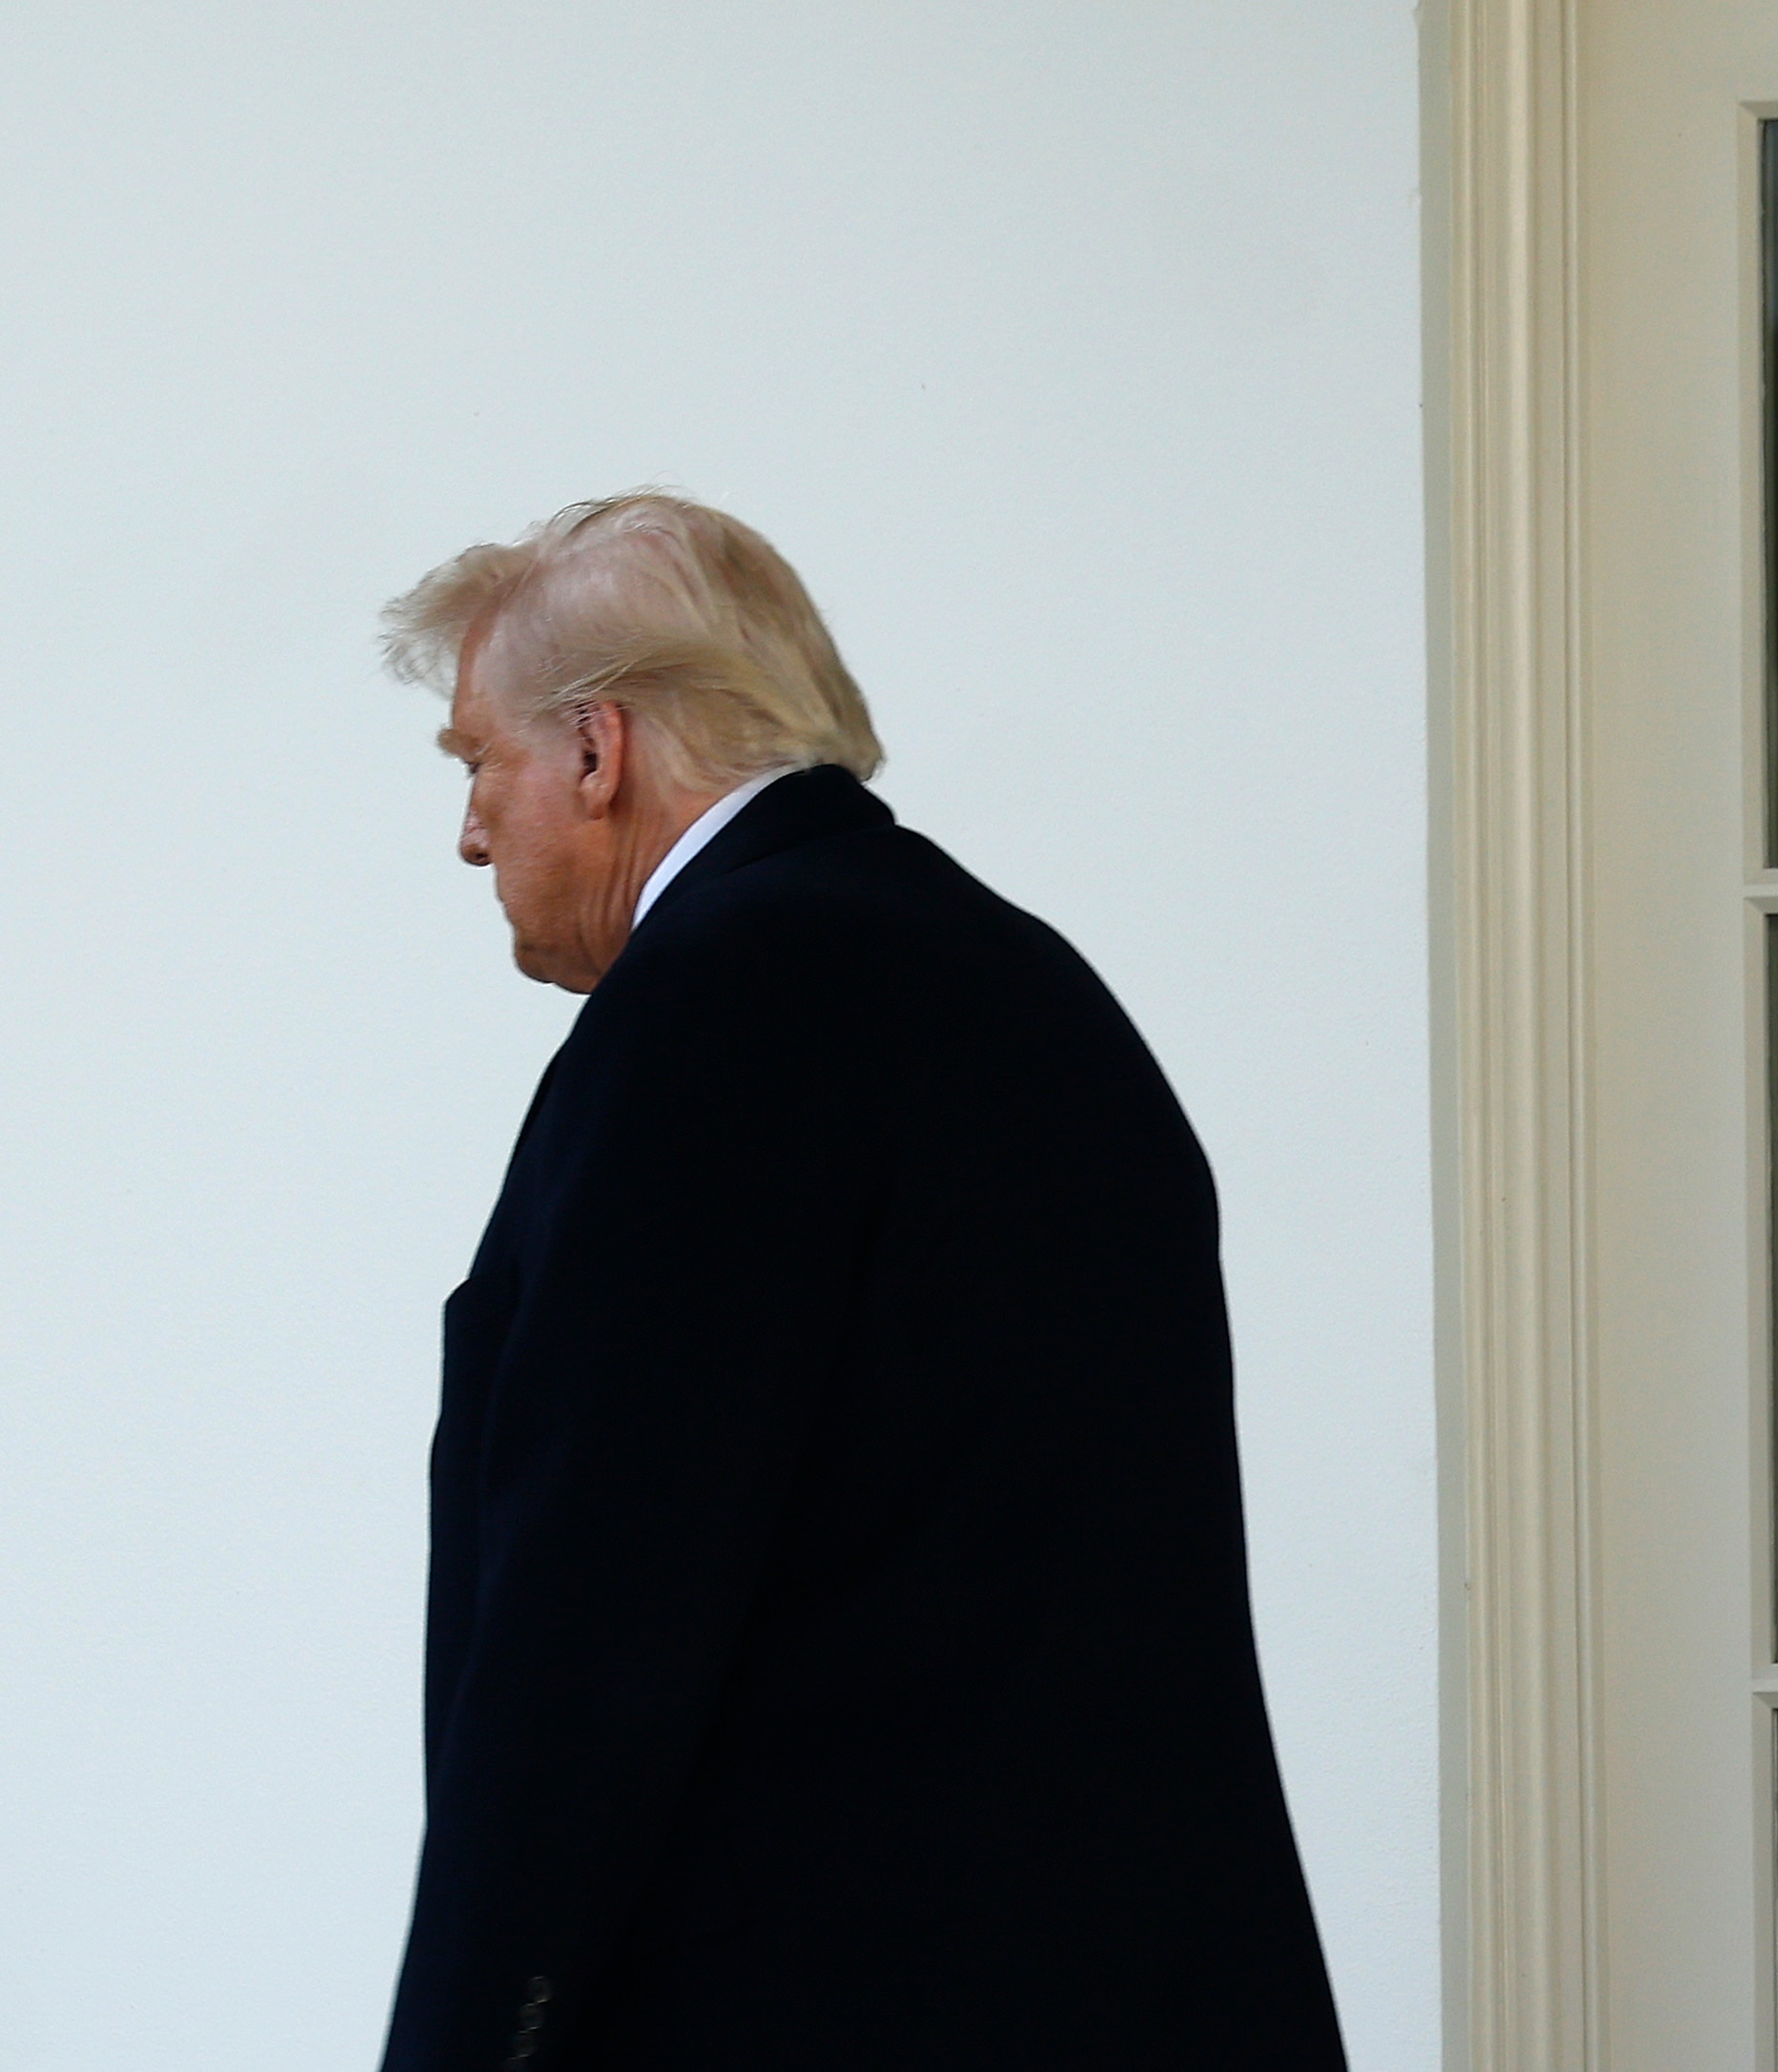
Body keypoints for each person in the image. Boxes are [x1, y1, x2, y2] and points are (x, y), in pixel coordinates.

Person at [374, 493, 1346, 2071]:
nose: (473, 831)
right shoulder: (1030, 986)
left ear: (598, 750)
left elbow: (594, 1619)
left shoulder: (711, 1011)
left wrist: (473, 2037)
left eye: (477, 761)